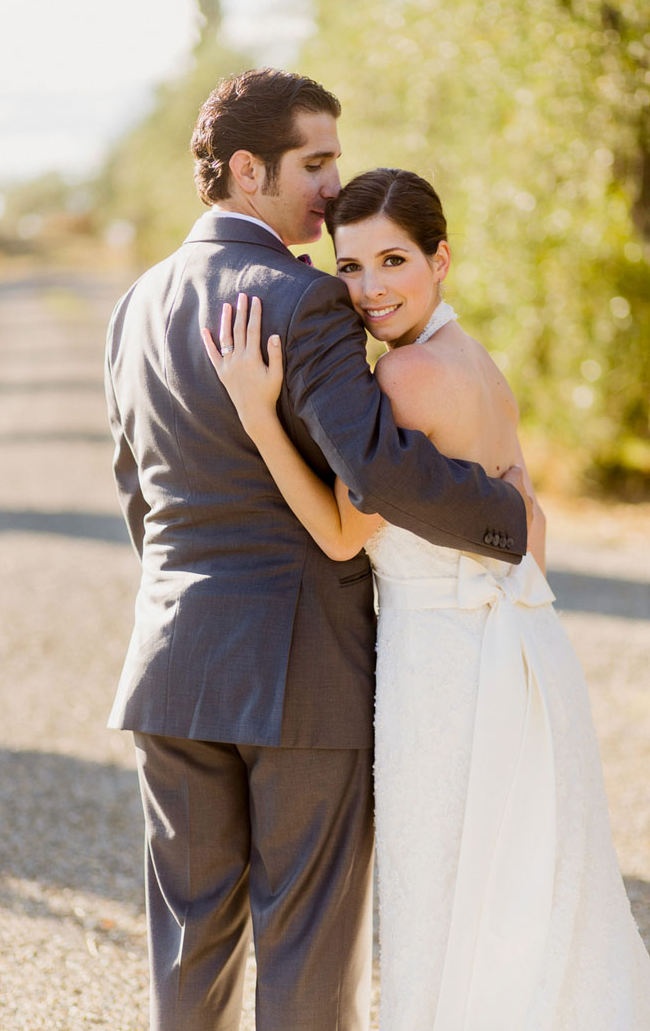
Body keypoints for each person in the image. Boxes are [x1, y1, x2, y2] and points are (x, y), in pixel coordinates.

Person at [104, 68, 530, 1031]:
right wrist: (504, 513)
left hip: (170, 661)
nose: (335, 187)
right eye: (317, 162)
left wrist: (192, 599)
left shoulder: (135, 305)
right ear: (248, 171)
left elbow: (139, 494)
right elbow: (378, 472)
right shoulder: (304, 301)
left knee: (189, 935)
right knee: (304, 932)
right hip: (303, 671)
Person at [203, 167, 650, 1028]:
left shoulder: (406, 383)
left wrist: (260, 415)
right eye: (351, 266)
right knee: (527, 879)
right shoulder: (476, 361)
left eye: (394, 261)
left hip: (445, 666)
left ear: (441, 260)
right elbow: (533, 529)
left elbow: (340, 533)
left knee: (443, 889)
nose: (369, 290)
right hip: (520, 650)